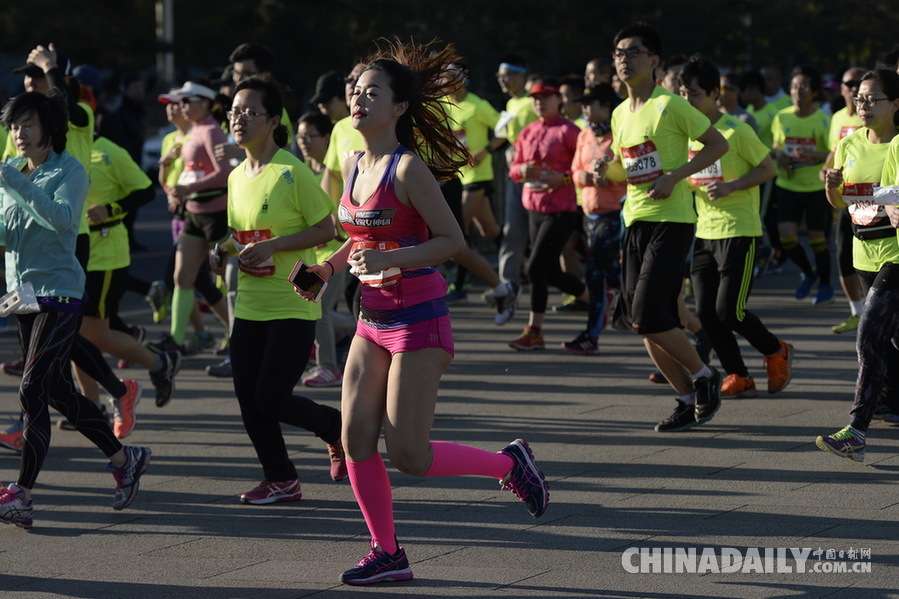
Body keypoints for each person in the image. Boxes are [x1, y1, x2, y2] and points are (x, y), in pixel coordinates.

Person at [297, 40, 549, 585]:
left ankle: (510, 465)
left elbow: (452, 241)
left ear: (400, 108)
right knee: (355, 439)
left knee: (408, 453)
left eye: (373, 93)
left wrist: (393, 256)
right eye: (356, 91)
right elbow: (357, 236)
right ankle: (387, 552)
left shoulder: (408, 169)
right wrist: (327, 267)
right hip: (372, 320)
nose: (359, 100)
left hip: (420, 320)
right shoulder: (351, 162)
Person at [0, 91, 150, 530]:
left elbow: (64, 219)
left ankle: (21, 495)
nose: (19, 134)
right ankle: (126, 459)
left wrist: (15, 184)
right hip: (22, 296)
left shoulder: (69, 170)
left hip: (60, 295)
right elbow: (8, 238)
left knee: (31, 390)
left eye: (27, 125)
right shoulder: (14, 174)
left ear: (49, 128)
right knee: (60, 393)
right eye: (13, 127)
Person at [217, 77, 346, 504]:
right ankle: (281, 478)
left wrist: (274, 245)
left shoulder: (290, 172)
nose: (238, 119)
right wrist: (225, 249)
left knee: (271, 397)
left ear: (273, 121)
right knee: (248, 399)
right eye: (234, 112)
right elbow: (240, 234)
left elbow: (328, 227)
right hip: (250, 304)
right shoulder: (236, 176)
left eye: (248, 112)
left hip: (293, 303)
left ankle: (334, 427)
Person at [598, 22, 728, 432]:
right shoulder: (620, 113)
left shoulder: (670, 105)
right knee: (643, 324)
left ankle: (706, 377)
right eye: (618, 53)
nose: (624, 59)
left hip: (672, 220)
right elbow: (631, 165)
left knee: (649, 314)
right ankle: (686, 399)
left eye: (633, 52)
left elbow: (717, 145)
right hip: (634, 220)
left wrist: (676, 176)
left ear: (653, 60)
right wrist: (608, 172)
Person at [678, 55, 793, 399]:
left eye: (695, 94)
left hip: (739, 230)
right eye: (683, 93)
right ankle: (738, 374)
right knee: (707, 315)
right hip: (704, 233)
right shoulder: (687, 134)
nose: (688, 101)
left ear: (716, 94)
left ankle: (776, 349)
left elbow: (767, 169)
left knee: (730, 310)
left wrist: (733, 185)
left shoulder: (736, 130)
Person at [816, 69, 899, 462]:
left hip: (896, 256)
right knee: (890, 341)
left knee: (867, 339)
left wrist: (892, 200)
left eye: (872, 99)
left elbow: (893, 194)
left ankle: (856, 431)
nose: (862, 105)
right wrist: (833, 186)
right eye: (860, 99)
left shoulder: (897, 145)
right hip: (864, 253)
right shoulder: (849, 144)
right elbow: (843, 203)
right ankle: (890, 402)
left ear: (895, 104)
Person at [152, 81, 233, 353]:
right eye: (182, 102)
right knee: (182, 277)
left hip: (215, 215)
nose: (182, 107)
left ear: (204, 103)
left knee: (231, 279)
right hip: (193, 215)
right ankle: (176, 340)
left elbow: (224, 174)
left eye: (188, 102)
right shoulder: (195, 130)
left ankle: (240, 335)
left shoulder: (211, 131)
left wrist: (189, 187)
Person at [507, 77, 588, 350]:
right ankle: (597, 301)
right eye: (535, 99)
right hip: (534, 208)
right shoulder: (528, 131)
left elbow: (584, 167)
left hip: (561, 210)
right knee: (551, 274)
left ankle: (535, 331)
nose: (539, 103)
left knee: (535, 268)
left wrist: (563, 179)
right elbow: (514, 168)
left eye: (545, 98)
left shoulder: (570, 131)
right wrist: (522, 171)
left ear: (558, 100)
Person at [563, 84, 627, 355]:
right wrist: (586, 178)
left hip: (613, 213)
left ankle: (592, 334)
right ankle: (627, 304)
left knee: (595, 273)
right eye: (584, 105)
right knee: (612, 273)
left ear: (607, 107)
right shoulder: (585, 135)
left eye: (591, 104)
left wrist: (608, 178)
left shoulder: (620, 134)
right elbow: (575, 170)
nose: (585, 109)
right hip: (589, 212)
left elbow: (627, 173)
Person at [296, 111, 356, 387]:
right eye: (300, 137)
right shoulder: (300, 171)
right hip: (310, 254)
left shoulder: (335, 172)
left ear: (326, 138)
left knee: (319, 311)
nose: (305, 142)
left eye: (310, 136)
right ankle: (359, 329)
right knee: (316, 312)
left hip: (334, 253)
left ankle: (329, 367)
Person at [770, 65, 833, 303]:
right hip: (787, 185)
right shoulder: (782, 116)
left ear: (814, 91)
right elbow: (777, 144)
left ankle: (826, 284)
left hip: (815, 187)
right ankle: (809, 273)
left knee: (817, 237)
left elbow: (832, 153)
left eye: (804, 86)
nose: (798, 91)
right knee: (787, 238)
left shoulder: (823, 120)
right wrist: (781, 155)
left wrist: (811, 153)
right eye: (794, 86)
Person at [826, 67, 865, 334]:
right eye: (848, 83)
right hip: (848, 197)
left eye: (858, 83)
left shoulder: (874, 115)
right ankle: (857, 312)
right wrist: (825, 169)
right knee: (843, 255)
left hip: (874, 198)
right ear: (840, 88)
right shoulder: (837, 118)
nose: (853, 88)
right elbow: (834, 152)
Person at [495, 55, 538, 294]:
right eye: (500, 76)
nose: (502, 80)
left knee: (538, 232)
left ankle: (545, 277)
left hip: (535, 177)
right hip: (516, 177)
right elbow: (510, 140)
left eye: (507, 75)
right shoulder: (510, 105)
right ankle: (508, 282)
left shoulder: (532, 102)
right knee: (513, 229)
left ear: (520, 76)